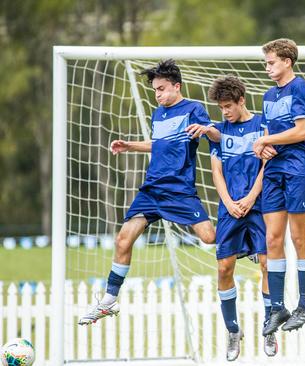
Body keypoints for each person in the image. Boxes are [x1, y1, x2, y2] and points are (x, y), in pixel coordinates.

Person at [79, 59, 218, 325]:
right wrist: (130, 145)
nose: (158, 94)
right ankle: (109, 299)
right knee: (123, 239)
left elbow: (215, 135)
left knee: (209, 237)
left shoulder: (193, 109)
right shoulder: (158, 114)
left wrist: (207, 129)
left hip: (179, 189)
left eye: (162, 88)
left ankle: (248, 240)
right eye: (155, 90)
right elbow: (159, 145)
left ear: (177, 86)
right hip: (152, 190)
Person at [207, 76, 280, 360]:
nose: (224, 112)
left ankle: (269, 325)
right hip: (230, 208)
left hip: (259, 204)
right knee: (224, 268)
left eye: (228, 106)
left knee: (266, 264)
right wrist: (228, 202)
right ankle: (233, 330)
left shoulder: (262, 125)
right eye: (220, 107)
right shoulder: (218, 132)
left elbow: (267, 164)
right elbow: (216, 171)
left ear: (241, 101)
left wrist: (250, 198)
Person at [252, 38, 305, 336]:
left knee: (298, 236)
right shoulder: (268, 95)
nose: (267, 68)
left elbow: (302, 131)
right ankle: (279, 307)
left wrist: (266, 141)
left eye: (271, 62)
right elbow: (268, 134)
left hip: (300, 170)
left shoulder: (300, 87)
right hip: (275, 171)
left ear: (287, 61)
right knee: (273, 239)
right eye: (266, 63)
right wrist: (262, 149)